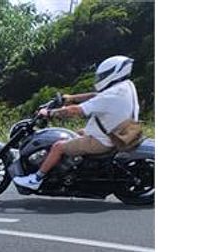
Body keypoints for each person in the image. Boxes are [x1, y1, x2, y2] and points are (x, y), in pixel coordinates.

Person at [12, 56, 140, 190]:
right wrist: (71, 98)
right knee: (76, 133)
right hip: (115, 133)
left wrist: (50, 113)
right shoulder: (124, 86)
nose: (101, 78)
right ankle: (70, 168)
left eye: (104, 75)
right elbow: (96, 96)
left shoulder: (112, 95)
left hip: (103, 140)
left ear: (115, 73)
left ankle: (36, 179)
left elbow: (76, 111)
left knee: (58, 146)